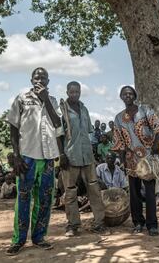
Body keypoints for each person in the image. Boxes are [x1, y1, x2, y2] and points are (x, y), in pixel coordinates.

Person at [5, 67, 63, 255]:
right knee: (23, 198)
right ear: (32, 80)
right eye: (37, 77)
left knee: (45, 199)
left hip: (47, 158)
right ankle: (18, 240)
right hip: (27, 157)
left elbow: (57, 124)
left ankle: (39, 237)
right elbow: (13, 127)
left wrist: (46, 99)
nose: (40, 80)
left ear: (48, 80)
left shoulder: (53, 100)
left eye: (44, 77)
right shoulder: (22, 98)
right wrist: (16, 155)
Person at [112, 85, 159, 236]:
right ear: (121, 97)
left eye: (130, 93)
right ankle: (138, 222)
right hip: (131, 159)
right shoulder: (118, 118)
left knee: (149, 192)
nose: (127, 96)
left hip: (147, 158)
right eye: (124, 94)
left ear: (134, 96)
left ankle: (152, 225)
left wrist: (155, 146)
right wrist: (122, 161)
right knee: (134, 193)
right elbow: (119, 142)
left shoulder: (145, 110)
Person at [60, 81, 106, 237]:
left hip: (87, 155)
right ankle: (73, 225)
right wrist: (62, 155)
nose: (74, 94)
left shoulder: (84, 109)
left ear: (80, 92)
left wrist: (93, 153)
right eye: (71, 92)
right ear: (67, 92)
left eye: (77, 92)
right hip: (70, 156)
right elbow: (59, 135)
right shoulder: (62, 110)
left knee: (94, 189)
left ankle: (100, 222)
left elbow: (89, 132)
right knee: (71, 192)